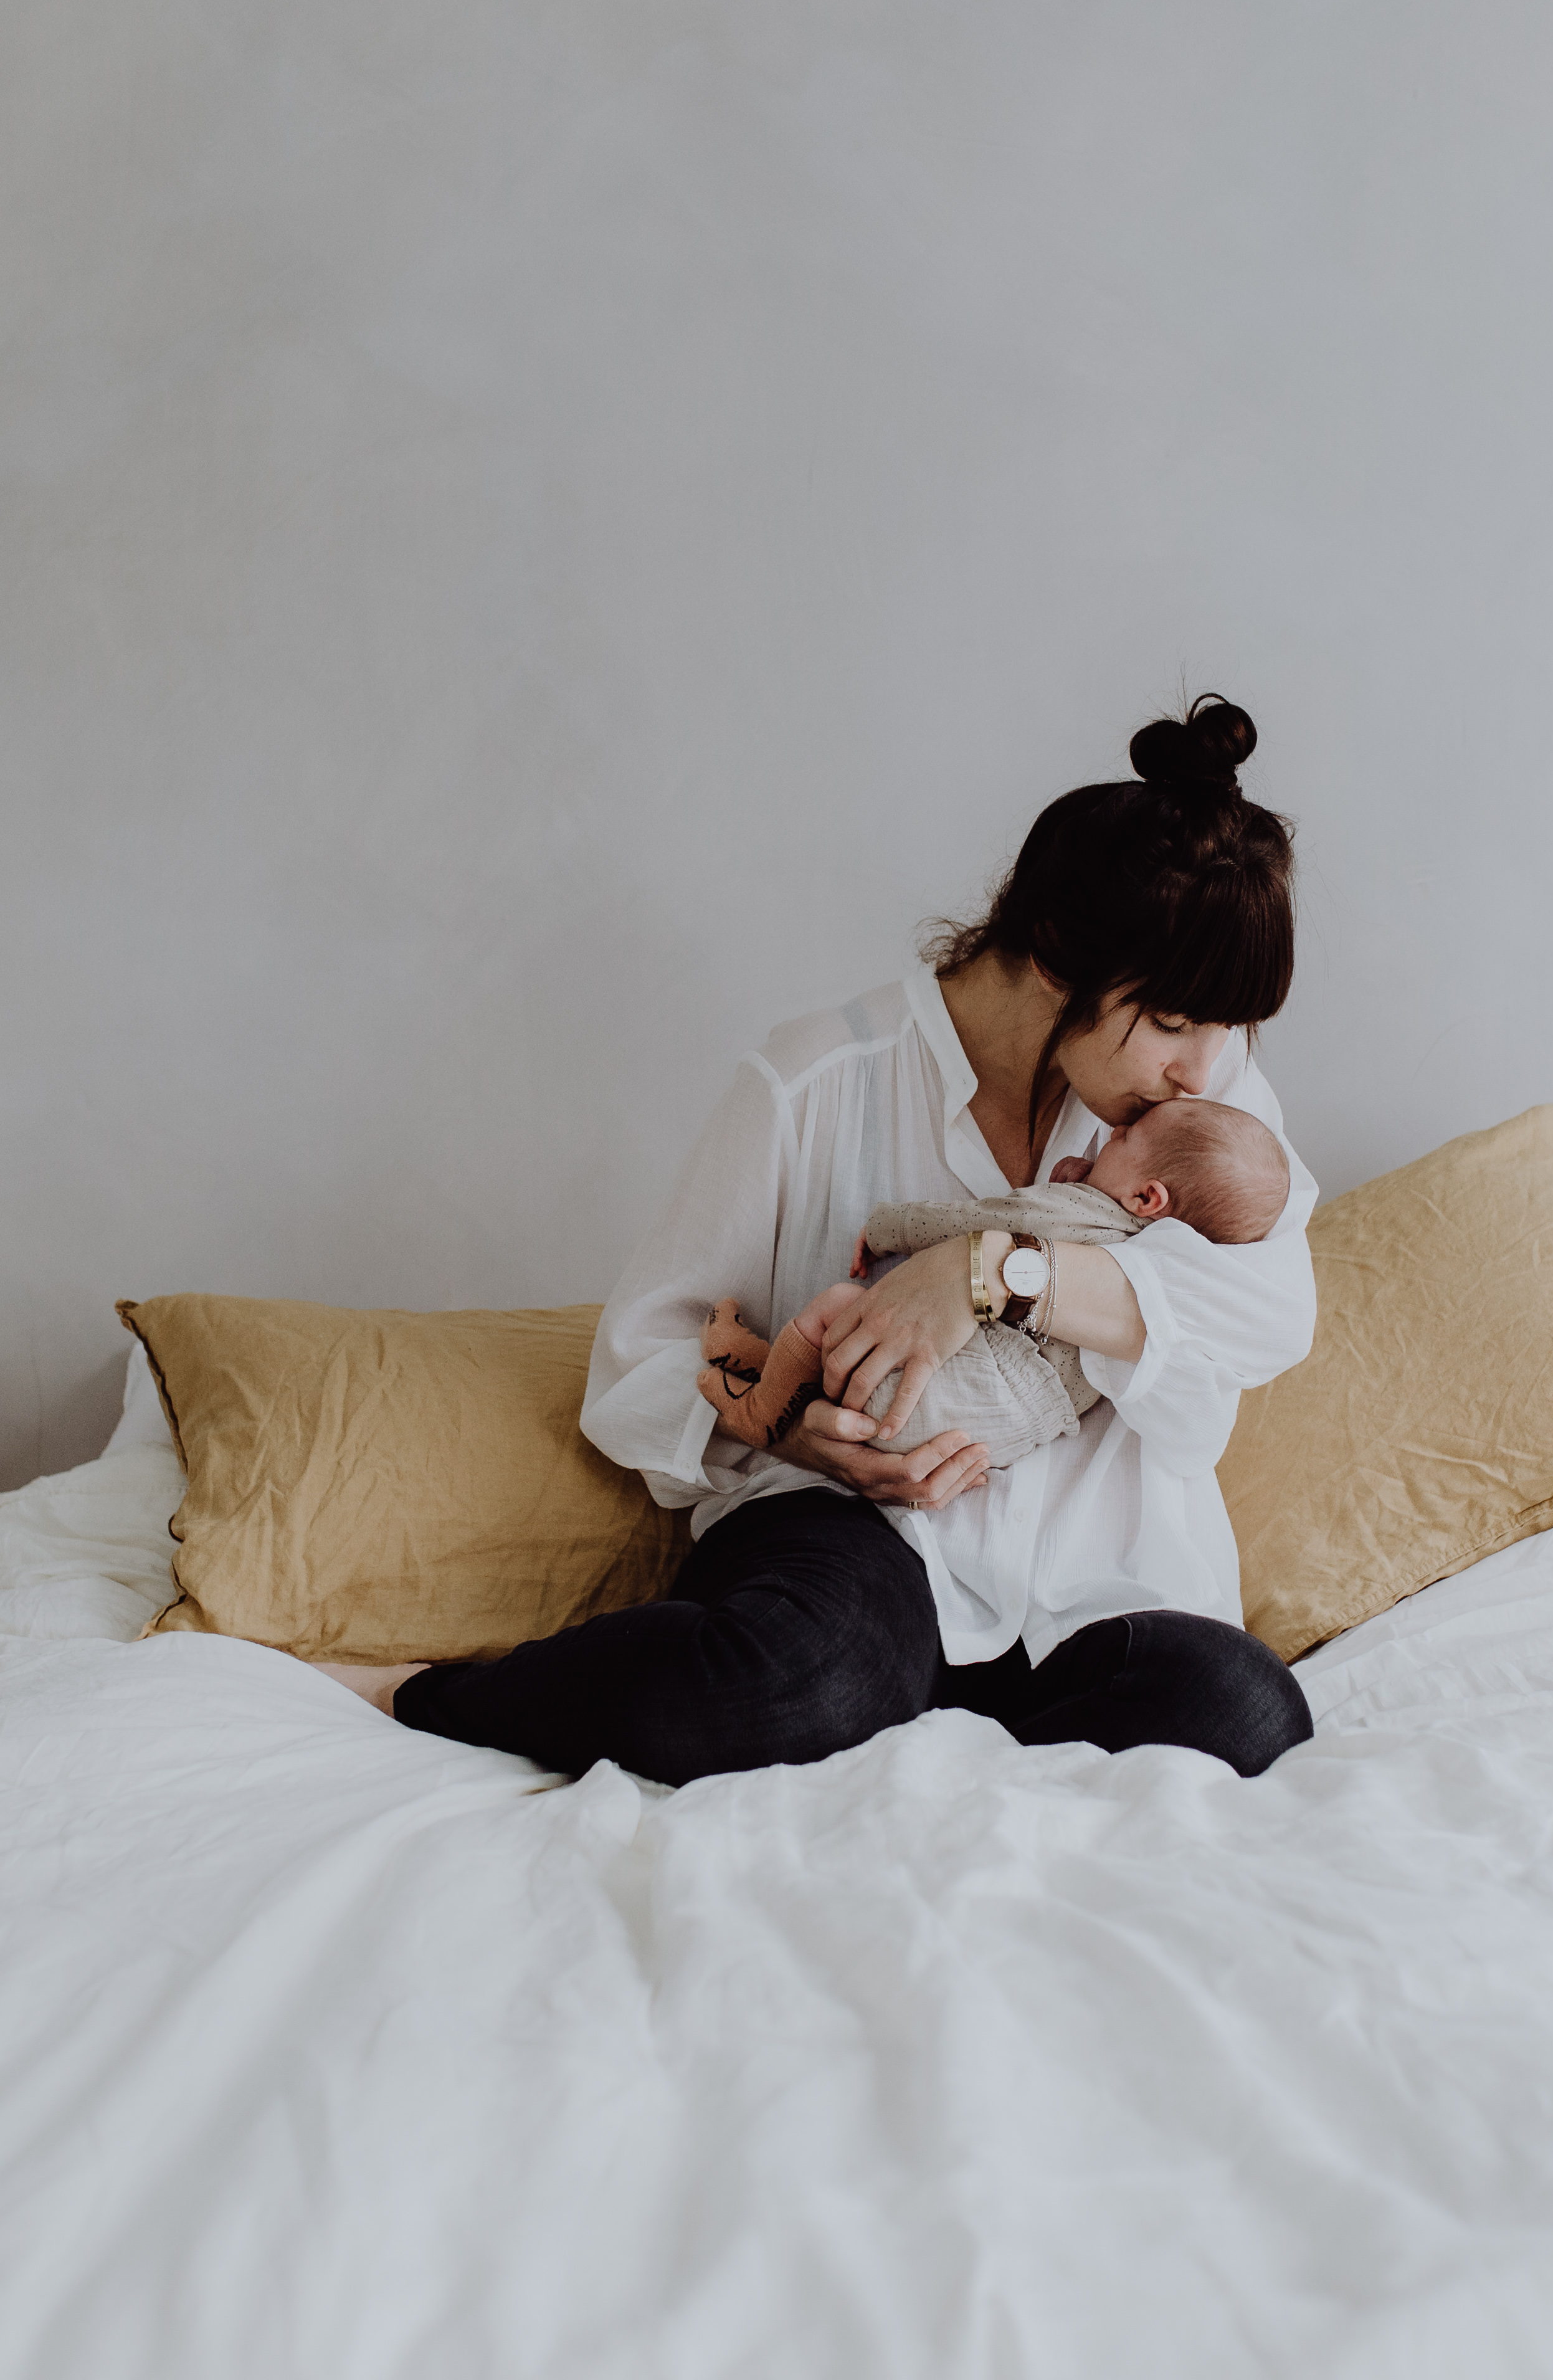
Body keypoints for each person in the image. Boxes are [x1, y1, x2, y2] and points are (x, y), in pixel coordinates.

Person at [331, 694, 1319, 1787]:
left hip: (1098, 1577)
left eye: (1228, 1027)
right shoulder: (815, 1081)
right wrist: (795, 1431)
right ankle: (427, 1694)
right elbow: (638, 1366)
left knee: (1246, 1711)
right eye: (1172, 1022)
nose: (1202, 1066)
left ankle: (934, 1774)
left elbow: (1277, 1313)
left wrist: (994, 1272)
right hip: (859, 1546)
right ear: (1052, 957)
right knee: (804, 1680)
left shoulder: (1205, 1110)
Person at [691, 1095, 1293, 1470]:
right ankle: (769, 1373)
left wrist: (887, 1227)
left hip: (935, 1394)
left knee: (842, 1306)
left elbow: (985, 1222)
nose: (1111, 1134)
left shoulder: (1076, 1215)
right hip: (996, 1438)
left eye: (1125, 1138)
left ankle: (760, 1407)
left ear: (1147, 1197)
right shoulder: (1156, 1268)